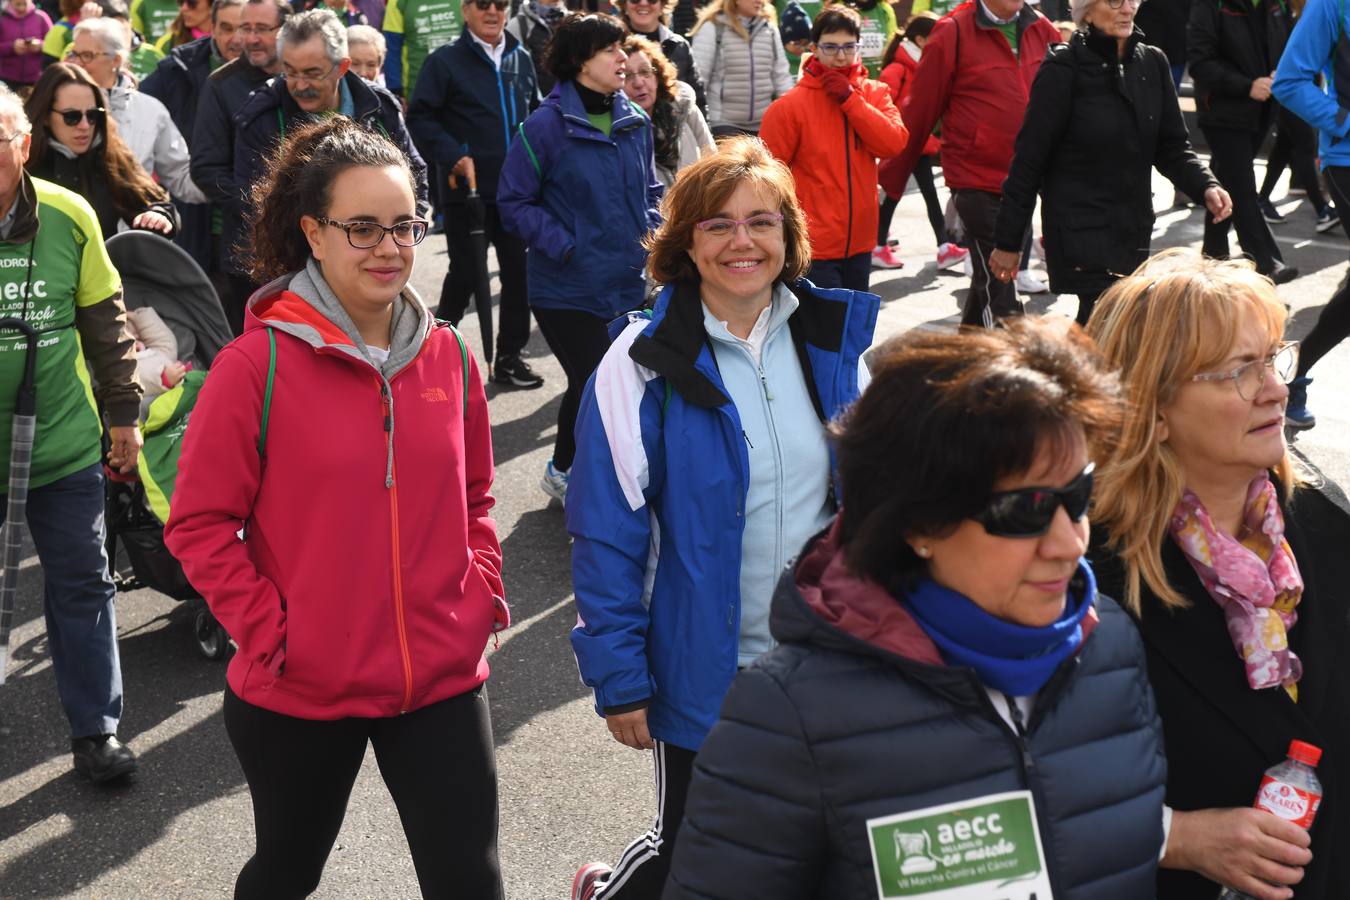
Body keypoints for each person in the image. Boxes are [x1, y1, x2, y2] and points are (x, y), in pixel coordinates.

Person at [663, 318, 1168, 900]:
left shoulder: (1109, 645)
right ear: (919, 522)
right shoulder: (790, 715)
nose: (1070, 542)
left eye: (1077, 496)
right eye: (1024, 510)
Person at [165, 117, 507, 900]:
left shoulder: (449, 353)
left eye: (404, 226)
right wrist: (273, 630)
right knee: (286, 874)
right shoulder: (255, 365)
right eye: (362, 229)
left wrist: (479, 587)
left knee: (469, 882)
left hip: (441, 678)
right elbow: (198, 524)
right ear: (314, 234)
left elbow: (477, 494)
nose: (389, 248)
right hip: (302, 685)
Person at [567, 136, 878, 900]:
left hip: (822, 659)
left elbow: (878, 505)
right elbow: (607, 530)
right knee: (696, 849)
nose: (743, 241)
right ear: (686, 243)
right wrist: (620, 675)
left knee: (823, 842)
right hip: (704, 664)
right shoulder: (640, 360)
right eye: (718, 225)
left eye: (762, 222)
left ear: (788, 236)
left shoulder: (835, 343)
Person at [1085, 249, 1350, 900]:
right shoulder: (1081, 576)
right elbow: (1018, 795)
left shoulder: (1321, 525)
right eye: (1238, 371)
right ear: (1153, 405)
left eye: (1272, 358)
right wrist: (1176, 838)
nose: (1276, 388)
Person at [0, 84, 144, 783]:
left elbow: (107, 324)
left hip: (59, 441)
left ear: (22, 145)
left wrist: (125, 415)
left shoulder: (68, 213)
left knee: (82, 581)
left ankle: (97, 731)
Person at [498, 12, 662, 505]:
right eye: (609, 50)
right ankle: (568, 472)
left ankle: (573, 467)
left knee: (614, 383)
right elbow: (513, 203)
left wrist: (657, 238)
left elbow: (650, 190)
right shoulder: (543, 127)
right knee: (594, 381)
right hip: (565, 288)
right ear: (577, 61)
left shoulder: (635, 119)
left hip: (626, 281)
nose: (623, 58)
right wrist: (567, 245)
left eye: (622, 48)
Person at [989, 0, 1230, 326]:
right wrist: (1008, 241)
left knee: (1102, 332)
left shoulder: (1152, 63)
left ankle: (1051, 373)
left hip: (1133, 228)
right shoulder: (1064, 68)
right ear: (1086, 11)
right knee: (1110, 322)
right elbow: (1029, 160)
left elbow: (1172, 147)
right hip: (1079, 228)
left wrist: (1206, 185)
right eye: (1114, 1)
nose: (1127, 8)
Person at [890, 0, 1059, 327]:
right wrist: (892, 174)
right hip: (975, 178)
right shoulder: (952, 31)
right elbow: (921, 106)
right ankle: (1015, 365)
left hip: (1024, 182)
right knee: (1002, 282)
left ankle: (966, 361)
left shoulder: (1042, 28)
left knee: (987, 278)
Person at [408, 0, 543, 389]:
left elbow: (534, 115)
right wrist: (453, 156)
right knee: (466, 273)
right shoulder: (444, 61)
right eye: (483, 3)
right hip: (465, 191)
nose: (493, 11)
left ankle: (509, 358)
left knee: (519, 273)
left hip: (516, 191)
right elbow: (420, 117)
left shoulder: (522, 57)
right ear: (465, 10)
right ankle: (432, 350)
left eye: (501, 4)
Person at [761, 5, 906, 292]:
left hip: (862, 241)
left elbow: (893, 143)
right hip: (813, 246)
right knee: (823, 333)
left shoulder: (874, 93)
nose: (840, 56)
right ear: (814, 48)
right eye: (830, 47)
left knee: (854, 331)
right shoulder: (789, 108)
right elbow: (767, 183)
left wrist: (850, 100)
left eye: (848, 47)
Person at [233, 9, 428, 222]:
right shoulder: (263, 117)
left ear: (342, 67)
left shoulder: (379, 106)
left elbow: (414, 175)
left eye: (312, 73)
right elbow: (254, 204)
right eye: (290, 72)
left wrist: (401, 232)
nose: (300, 84)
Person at [190, 0, 291, 333]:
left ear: (286, 30)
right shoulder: (221, 85)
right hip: (250, 255)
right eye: (246, 28)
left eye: (261, 29)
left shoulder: (304, 77)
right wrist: (266, 204)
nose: (249, 39)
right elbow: (206, 168)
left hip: (313, 248)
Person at [1272, 0, 1350, 430]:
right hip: (1347, 159)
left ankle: (1291, 371)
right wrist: (1344, 121)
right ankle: (1291, 372)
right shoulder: (1331, 4)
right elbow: (1289, 81)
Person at [1188, 0, 1297, 283]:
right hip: (1222, 112)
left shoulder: (1276, 4)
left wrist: (1280, 72)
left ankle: (1213, 253)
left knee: (1224, 179)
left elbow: (1287, 43)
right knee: (1242, 186)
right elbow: (1200, 62)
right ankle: (1266, 263)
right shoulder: (1211, 6)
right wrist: (1246, 86)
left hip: (1263, 109)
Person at [23, 63, 178, 236]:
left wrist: (158, 216)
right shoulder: (21, 164)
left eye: (92, 115)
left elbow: (157, 203)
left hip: (100, 262)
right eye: (71, 116)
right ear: (45, 116)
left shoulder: (110, 155)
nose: (84, 126)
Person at [66, 18, 205, 205]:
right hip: (74, 227)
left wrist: (227, 187)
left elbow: (180, 175)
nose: (78, 63)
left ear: (115, 60)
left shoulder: (150, 110)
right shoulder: (58, 107)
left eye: (87, 56)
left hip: (131, 228)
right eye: (74, 54)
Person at [874, 15, 969, 271]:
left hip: (917, 143)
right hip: (903, 143)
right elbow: (881, 107)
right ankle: (881, 245)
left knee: (918, 195)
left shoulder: (919, 66)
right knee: (896, 195)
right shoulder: (898, 69)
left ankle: (940, 247)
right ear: (920, 39)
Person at [620, 34, 712, 186]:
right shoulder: (619, 130)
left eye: (645, 71)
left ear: (657, 77)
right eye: (627, 76)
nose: (638, 83)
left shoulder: (685, 108)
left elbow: (712, 162)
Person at [688, 0, 790, 136]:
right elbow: (699, 80)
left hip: (764, 125)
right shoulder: (713, 27)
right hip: (723, 125)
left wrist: (791, 113)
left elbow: (781, 77)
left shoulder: (770, 30)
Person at [616, 0, 704, 111]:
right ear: (624, 4)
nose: (643, 3)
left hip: (676, 124)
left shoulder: (679, 45)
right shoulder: (612, 47)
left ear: (663, 4)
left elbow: (699, 100)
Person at [382, 0, 461, 99]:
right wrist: (396, 93)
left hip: (462, 88)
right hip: (416, 92)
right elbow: (391, 49)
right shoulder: (397, 2)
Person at [505, 0, 563, 93]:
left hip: (567, 102)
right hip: (534, 104)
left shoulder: (570, 22)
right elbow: (509, 73)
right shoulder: (518, 25)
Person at [0, 0, 52, 92]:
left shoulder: (41, 17)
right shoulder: (2, 19)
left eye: (24, 4)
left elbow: (53, 43)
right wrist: (12, 47)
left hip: (36, 77)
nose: (21, 8)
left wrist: (39, 45)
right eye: (18, 4)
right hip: (8, 78)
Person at [838, 0, 894, 78]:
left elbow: (893, 43)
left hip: (879, 81)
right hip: (849, 81)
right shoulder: (838, 9)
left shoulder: (885, 9)